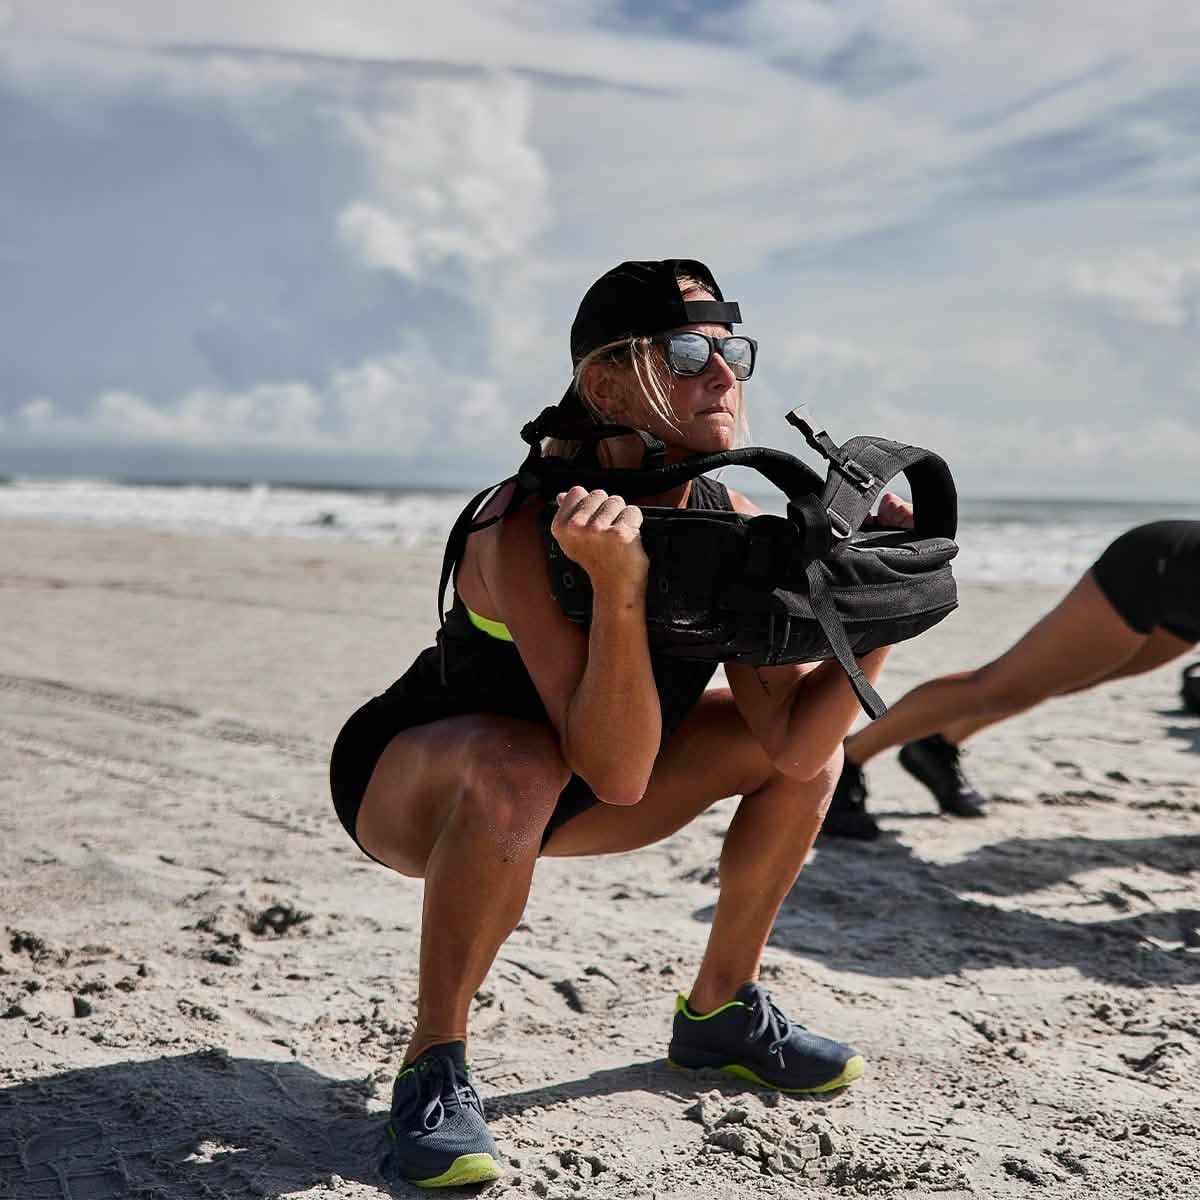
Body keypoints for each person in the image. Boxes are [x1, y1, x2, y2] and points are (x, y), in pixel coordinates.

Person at [329, 259, 912, 1188]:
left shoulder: (733, 516)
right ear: (605, 383)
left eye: (731, 354)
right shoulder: (522, 524)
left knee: (812, 758)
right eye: (687, 354)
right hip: (421, 792)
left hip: (575, 790)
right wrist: (616, 588)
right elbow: (619, 771)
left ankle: (720, 1010)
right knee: (519, 761)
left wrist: (874, 608)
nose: (721, 376)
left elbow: (799, 745)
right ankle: (432, 1063)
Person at [822, 520, 1200, 840]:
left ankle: (934, 747)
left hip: (1187, 603)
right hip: (1155, 571)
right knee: (1002, 686)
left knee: (1062, 683)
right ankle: (849, 759)